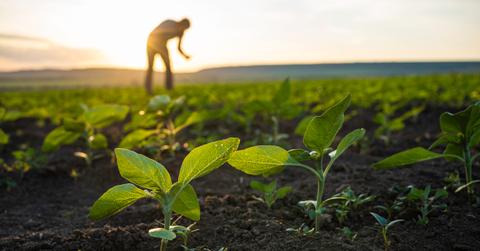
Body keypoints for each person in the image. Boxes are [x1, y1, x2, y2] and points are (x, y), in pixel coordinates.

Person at [145, 18, 191, 94]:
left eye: (185, 29)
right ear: (181, 23)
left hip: (162, 44)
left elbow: (178, 47)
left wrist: (185, 56)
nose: (184, 29)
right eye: (184, 27)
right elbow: (157, 33)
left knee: (168, 66)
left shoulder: (181, 33)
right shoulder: (169, 23)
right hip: (152, 42)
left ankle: (169, 88)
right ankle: (148, 89)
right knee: (150, 66)